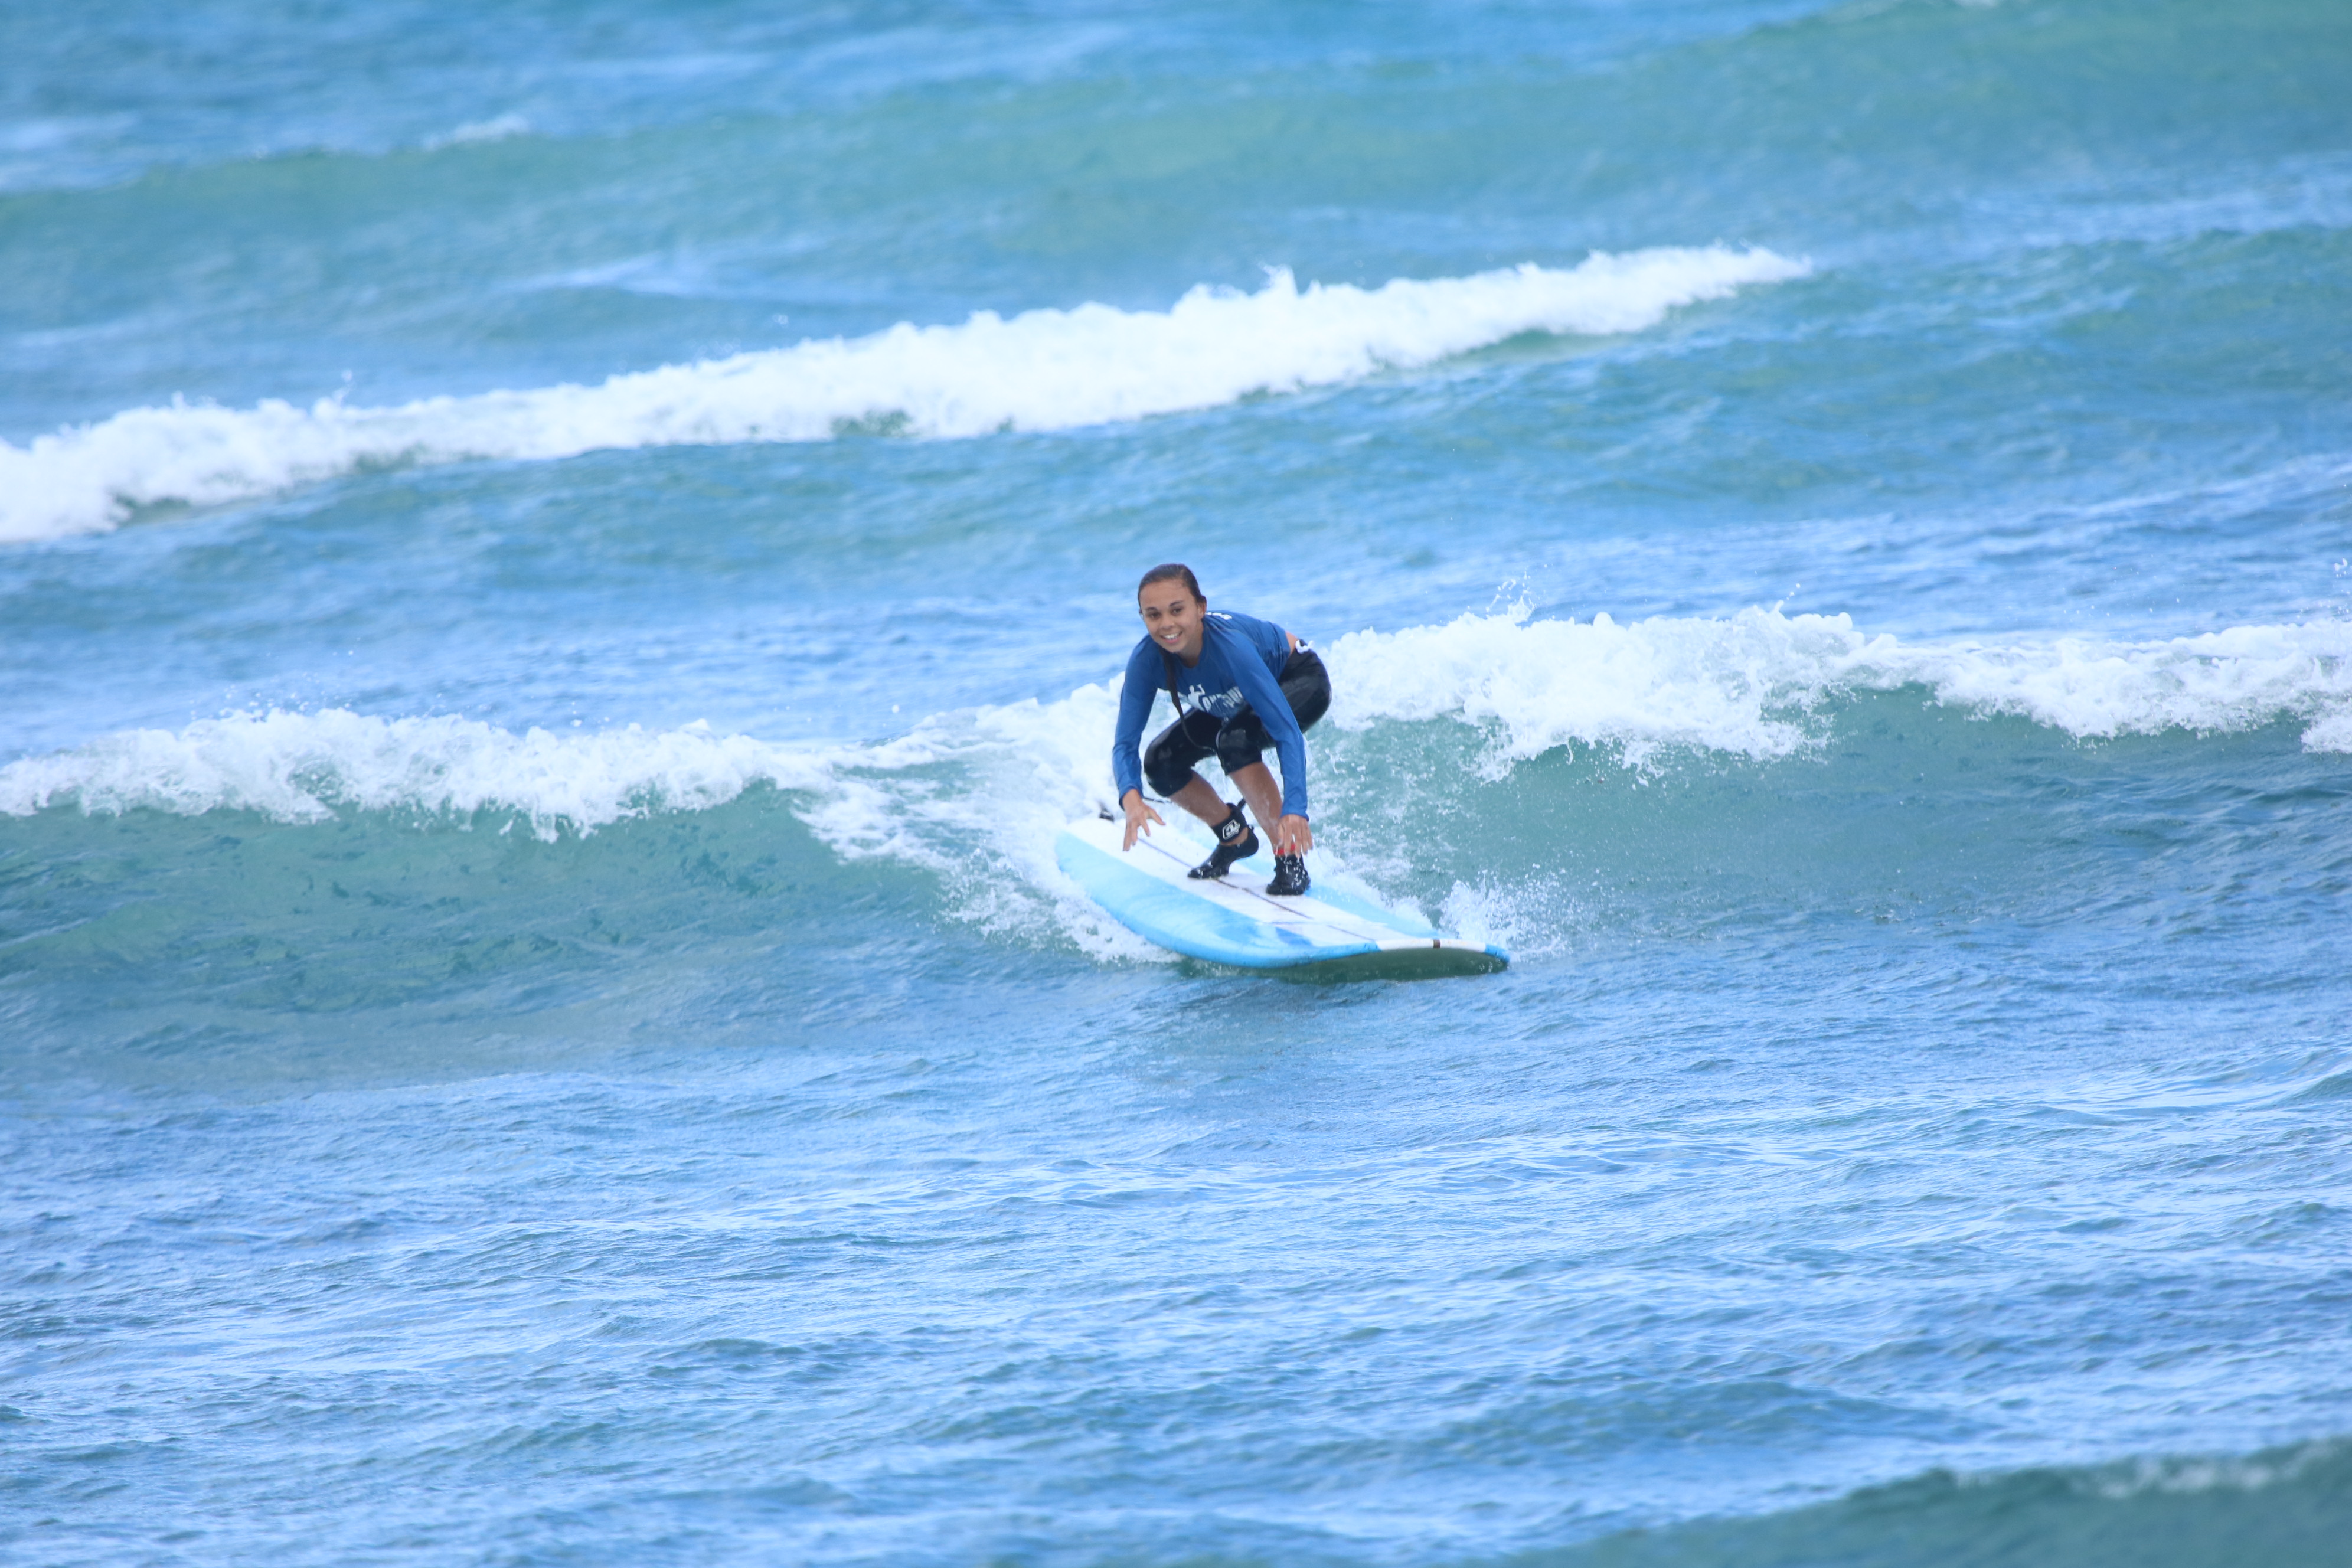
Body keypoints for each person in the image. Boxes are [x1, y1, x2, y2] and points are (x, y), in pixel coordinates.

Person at [1110, 563, 1329, 896]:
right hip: (1230, 697)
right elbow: (1125, 744)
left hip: (1296, 677)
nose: (1166, 624)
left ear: (1201, 608)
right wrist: (1131, 798)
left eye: (1177, 610)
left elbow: (1287, 732)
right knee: (1161, 762)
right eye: (1153, 615)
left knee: (1234, 741)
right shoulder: (1146, 660)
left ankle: (1290, 859)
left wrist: (1295, 808)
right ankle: (1234, 836)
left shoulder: (1232, 649)